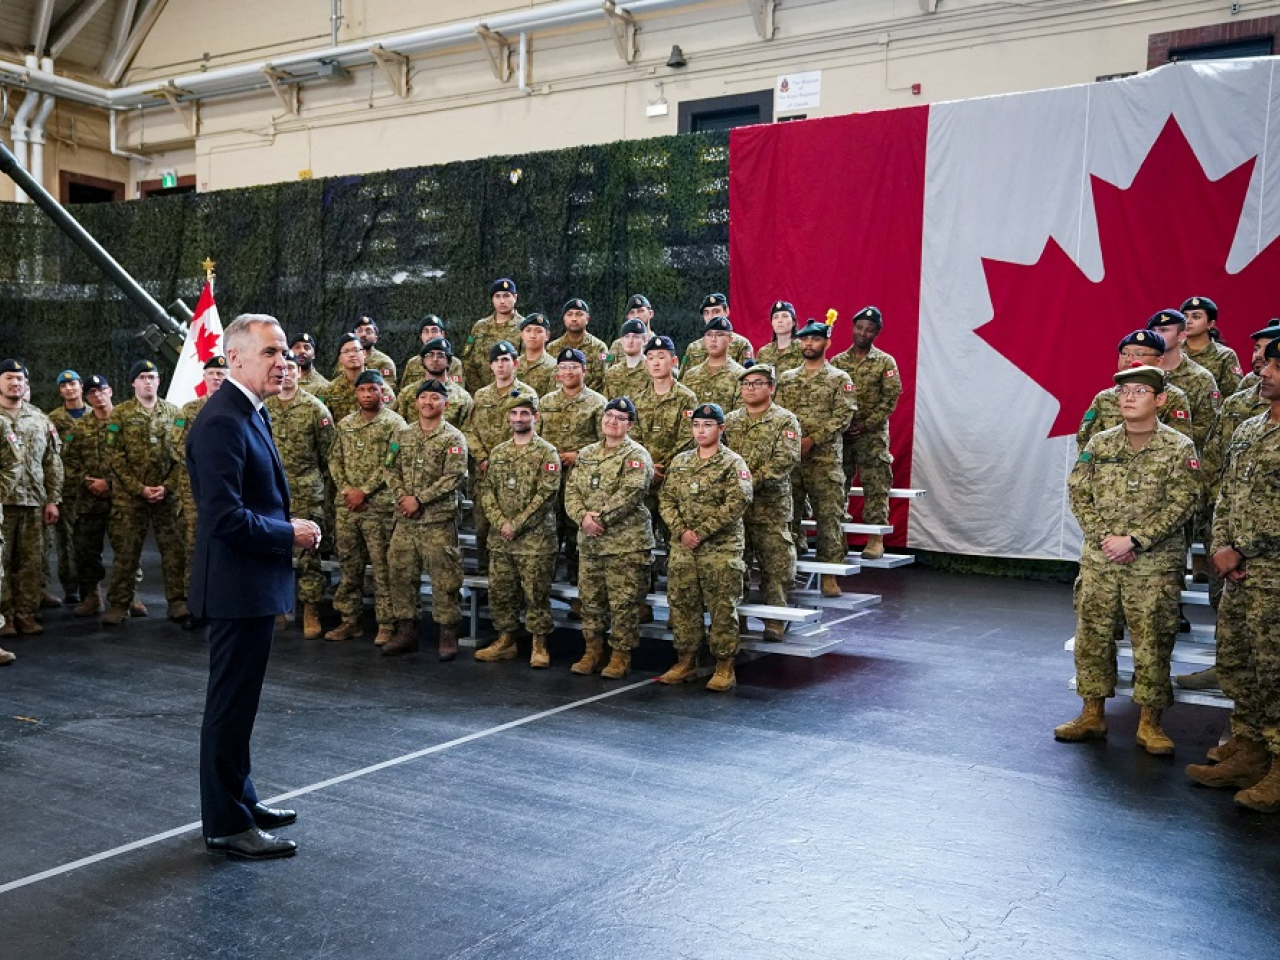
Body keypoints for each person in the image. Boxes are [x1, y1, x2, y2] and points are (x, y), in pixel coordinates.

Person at [187, 313, 320, 860]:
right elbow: (224, 518)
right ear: (235, 358)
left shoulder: (248, 411)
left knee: (241, 706)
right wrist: (288, 533)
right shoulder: (222, 420)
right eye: (270, 352)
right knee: (229, 706)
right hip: (236, 588)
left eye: (284, 351)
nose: (283, 361)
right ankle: (224, 823)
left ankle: (241, 801)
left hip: (251, 585)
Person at [1057, 363, 1201, 752]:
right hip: (1102, 561)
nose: (1129, 397)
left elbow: (1185, 501)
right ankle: (1091, 714)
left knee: (1153, 639)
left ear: (1160, 400)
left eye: (1139, 391)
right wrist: (1107, 539)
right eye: (1124, 392)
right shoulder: (1100, 443)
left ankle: (1150, 722)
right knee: (1093, 636)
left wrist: (1136, 540)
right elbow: (1079, 493)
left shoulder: (1178, 447)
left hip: (1153, 565)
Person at [1183, 338, 1280, 808]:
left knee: (1276, 671)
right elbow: (1226, 492)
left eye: (1276, 366)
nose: (1265, 371)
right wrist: (1221, 546)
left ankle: (1279, 767)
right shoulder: (1250, 428)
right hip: (1239, 573)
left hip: (1273, 571)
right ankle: (1249, 748)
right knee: (1241, 663)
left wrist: (1242, 548)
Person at [658, 402, 753, 691]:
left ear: (721, 428)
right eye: (697, 425)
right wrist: (681, 531)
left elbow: (737, 502)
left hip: (720, 549)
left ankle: (724, 665)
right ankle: (686, 661)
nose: (701, 431)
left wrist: (699, 532)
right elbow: (666, 499)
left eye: (708, 425)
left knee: (722, 608)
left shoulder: (733, 463)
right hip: (685, 548)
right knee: (683, 605)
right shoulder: (681, 461)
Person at [564, 396, 654, 678]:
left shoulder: (636, 455)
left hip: (625, 545)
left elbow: (631, 493)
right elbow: (571, 491)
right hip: (590, 544)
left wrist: (598, 518)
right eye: (609, 415)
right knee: (590, 602)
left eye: (620, 418)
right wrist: (582, 518)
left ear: (630, 425)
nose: (612, 421)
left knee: (624, 604)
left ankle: (620, 656)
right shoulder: (587, 453)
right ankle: (592, 650)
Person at [382, 379, 469, 661]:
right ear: (416, 402)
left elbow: (454, 477)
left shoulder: (453, 438)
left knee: (445, 579)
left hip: (437, 521)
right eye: (424, 398)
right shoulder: (403, 434)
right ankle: (406, 632)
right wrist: (403, 497)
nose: (428, 402)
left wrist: (419, 499)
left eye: (435, 397)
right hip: (405, 520)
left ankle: (447, 633)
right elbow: (389, 469)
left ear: (445, 403)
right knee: (400, 575)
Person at [474, 396, 561, 667]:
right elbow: (487, 491)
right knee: (502, 592)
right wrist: (501, 522)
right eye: (514, 413)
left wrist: (517, 523)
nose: (519, 418)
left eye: (525, 413)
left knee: (536, 594)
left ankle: (539, 644)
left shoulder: (547, 453)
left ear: (536, 417)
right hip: (501, 538)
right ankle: (505, 640)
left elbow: (547, 494)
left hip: (535, 539)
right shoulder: (499, 452)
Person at [100, 361, 188, 625]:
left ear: (159, 382)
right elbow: (114, 456)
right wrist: (139, 488)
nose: (148, 381)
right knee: (126, 553)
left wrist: (166, 486)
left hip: (166, 497)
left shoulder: (174, 413)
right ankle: (119, 604)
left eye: (152, 376)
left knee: (174, 552)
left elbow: (181, 456)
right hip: (130, 499)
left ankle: (177, 602)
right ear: (133, 383)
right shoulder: (121, 414)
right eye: (142, 377)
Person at [776, 322, 859, 596]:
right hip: (792, 461)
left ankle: (829, 574)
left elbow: (843, 417)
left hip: (825, 461)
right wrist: (792, 442)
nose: (809, 344)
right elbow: (779, 414)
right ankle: (784, 577)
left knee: (828, 518)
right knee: (788, 517)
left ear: (827, 343)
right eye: (805, 340)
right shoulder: (787, 378)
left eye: (815, 340)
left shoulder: (839, 378)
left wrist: (812, 440)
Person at [326, 370, 407, 644]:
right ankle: (350, 620)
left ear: (382, 392)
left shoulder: (395, 424)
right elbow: (334, 459)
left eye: (373, 389)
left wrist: (365, 491)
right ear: (356, 393)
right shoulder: (346, 424)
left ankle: (386, 623)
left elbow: (392, 462)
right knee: (349, 566)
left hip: (379, 508)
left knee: (383, 569)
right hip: (347, 506)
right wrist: (348, 490)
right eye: (362, 390)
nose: (367, 395)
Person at [724, 364, 801, 641]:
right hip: (736, 509)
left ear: (771, 387)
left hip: (770, 507)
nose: (750, 388)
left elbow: (785, 459)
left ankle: (774, 619)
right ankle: (736, 620)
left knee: (776, 566)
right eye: (745, 384)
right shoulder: (730, 420)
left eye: (757, 383)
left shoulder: (785, 420)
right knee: (735, 567)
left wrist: (747, 482)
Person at [265, 354, 337, 639]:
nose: (287, 373)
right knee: (272, 551)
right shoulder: (264, 407)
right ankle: (276, 608)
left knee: (309, 554)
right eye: (283, 368)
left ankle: (310, 610)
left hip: (307, 491)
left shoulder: (315, 409)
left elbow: (327, 454)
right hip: (271, 491)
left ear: (299, 373)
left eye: (292, 368)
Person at [831, 306, 902, 559]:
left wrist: (867, 423)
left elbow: (891, 398)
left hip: (871, 435)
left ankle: (875, 538)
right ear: (852, 328)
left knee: (875, 484)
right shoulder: (838, 361)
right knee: (838, 484)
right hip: (844, 433)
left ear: (876, 333)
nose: (863, 333)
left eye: (869, 330)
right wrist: (844, 423)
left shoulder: (885, 362)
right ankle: (838, 537)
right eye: (859, 327)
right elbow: (832, 396)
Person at [0, 360, 63, 636]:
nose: (15, 383)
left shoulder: (40, 418)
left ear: (27, 385)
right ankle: (4, 618)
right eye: (9, 378)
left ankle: (25, 614)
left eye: (20, 379)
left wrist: (53, 499)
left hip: (33, 502)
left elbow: (52, 462)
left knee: (31, 562)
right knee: (1, 563)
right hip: (2, 504)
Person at [462, 341, 537, 571]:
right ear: (490, 366)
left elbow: (533, 432)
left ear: (515, 363)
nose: (501, 365)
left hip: (517, 472)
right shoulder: (481, 396)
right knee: (483, 526)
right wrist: (483, 457)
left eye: (506, 360)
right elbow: (468, 430)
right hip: (485, 474)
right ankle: (486, 576)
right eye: (496, 361)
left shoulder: (526, 394)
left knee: (515, 525)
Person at [537, 347, 606, 585]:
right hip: (550, 480)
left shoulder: (598, 403)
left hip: (583, 482)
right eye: (563, 367)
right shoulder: (546, 402)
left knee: (578, 537)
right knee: (548, 531)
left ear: (584, 370)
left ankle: (580, 594)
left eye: (573, 367)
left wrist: (579, 455)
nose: (568, 372)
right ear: (557, 372)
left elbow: (605, 443)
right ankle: (546, 588)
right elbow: (537, 440)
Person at [1077, 331, 1195, 448]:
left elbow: (1180, 443)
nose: (1128, 359)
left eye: (1139, 354)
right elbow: (1084, 438)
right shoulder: (1103, 398)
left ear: (1158, 361)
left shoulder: (1173, 397)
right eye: (1124, 353)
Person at [173, 356, 229, 593]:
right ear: (204, 377)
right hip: (194, 488)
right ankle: (192, 598)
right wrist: (204, 467)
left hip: (228, 487)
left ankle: (225, 597)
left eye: (221, 374)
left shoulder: (236, 408)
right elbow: (176, 445)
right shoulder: (189, 410)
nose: (216, 378)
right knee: (194, 542)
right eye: (212, 374)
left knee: (228, 541)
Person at [62, 375, 117, 617]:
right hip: (88, 499)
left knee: (126, 550)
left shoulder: (126, 421)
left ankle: (127, 596)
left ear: (110, 391)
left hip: (121, 499)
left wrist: (111, 483)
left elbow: (139, 459)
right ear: (87, 397)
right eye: (92, 393)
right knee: (86, 551)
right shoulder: (79, 427)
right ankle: (92, 596)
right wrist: (89, 481)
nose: (97, 395)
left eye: (101, 390)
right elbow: (68, 461)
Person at [1146, 309, 1220, 453]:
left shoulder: (1201, 378)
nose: (1156, 335)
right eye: (1153, 331)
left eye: (1164, 330)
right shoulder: (1143, 373)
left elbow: (1207, 429)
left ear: (1182, 336)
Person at [46, 369, 86, 604]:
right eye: (63, 385)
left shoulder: (97, 414)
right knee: (66, 542)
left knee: (91, 542)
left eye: (72, 384)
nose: (69, 389)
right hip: (67, 489)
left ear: (81, 386)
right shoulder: (53, 419)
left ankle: (91, 589)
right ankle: (70, 588)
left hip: (94, 488)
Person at [396, 337, 472, 428]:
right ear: (423, 361)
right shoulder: (407, 393)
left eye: (440, 355)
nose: (435, 359)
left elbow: (468, 432)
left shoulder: (463, 397)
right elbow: (397, 430)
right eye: (430, 355)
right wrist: (395, 443)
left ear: (448, 362)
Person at [464, 278, 524, 389]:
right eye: (497, 296)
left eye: (506, 296)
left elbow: (524, 364)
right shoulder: (479, 327)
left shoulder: (524, 327)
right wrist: (478, 391)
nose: (502, 301)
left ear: (515, 297)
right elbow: (468, 360)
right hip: (482, 394)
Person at [680, 316, 747, 412]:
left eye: (719, 335)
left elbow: (741, 415)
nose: (713, 339)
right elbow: (684, 413)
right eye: (709, 334)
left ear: (730, 340)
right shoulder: (690, 376)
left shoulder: (741, 376)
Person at [1181, 296, 1243, 398]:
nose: (1188, 321)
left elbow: (1233, 396)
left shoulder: (1224, 355)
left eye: (1196, 317)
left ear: (1211, 323)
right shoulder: (1173, 351)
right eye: (1185, 316)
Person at [547, 298, 610, 393]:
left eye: (579, 314)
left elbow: (601, 380)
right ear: (564, 319)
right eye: (569, 314)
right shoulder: (552, 348)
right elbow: (550, 379)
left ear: (587, 319)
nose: (574, 319)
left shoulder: (600, 347)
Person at [681, 293, 754, 371]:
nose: (711, 317)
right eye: (706, 313)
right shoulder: (693, 348)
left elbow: (748, 377)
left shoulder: (742, 344)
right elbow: (683, 378)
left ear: (727, 312)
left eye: (716, 312)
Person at [401, 315, 465, 388]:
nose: (430, 336)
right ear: (421, 336)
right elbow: (404, 390)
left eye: (434, 331)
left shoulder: (454, 364)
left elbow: (458, 393)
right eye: (426, 331)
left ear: (442, 334)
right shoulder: (412, 363)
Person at [331, 316, 397, 387]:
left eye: (368, 332)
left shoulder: (384, 362)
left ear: (376, 338)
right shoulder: (344, 360)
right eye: (359, 331)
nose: (363, 335)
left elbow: (387, 391)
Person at [321, 333, 367, 425]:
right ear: (340, 358)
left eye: (356, 350)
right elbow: (325, 423)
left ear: (364, 353)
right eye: (346, 351)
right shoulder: (330, 390)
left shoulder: (378, 386)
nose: (352, 355)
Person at [604, 318, 652, 401]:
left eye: (636, 337)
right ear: (622, 341)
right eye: (627, 337)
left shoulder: (652, 371)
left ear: (645, 340)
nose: (630, 341)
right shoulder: (612, 373)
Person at [517, 312, 560, 397]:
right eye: (528, 331)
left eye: (538, 331)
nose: (532, 335)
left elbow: (553, 400)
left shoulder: (554, 366)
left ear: (547, 335)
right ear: (522, 334)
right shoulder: (513, 365)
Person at [755, 301, 804, 375]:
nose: (780, 321)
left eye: (785, 316)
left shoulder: (803, 349)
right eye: (775, 317)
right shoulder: (764, 352)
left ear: (793, 322)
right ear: (772, 323)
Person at [607, 293, 656, 359]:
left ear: (650, 314)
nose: (636, 316)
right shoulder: (618, 345)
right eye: (632, 312)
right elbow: (606, 365)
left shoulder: (659, 344)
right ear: (627, 317)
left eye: (641, 311)